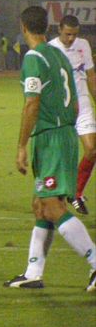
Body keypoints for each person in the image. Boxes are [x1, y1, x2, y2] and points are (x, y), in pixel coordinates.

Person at [4, 6, 96, 292]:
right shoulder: (59, 55)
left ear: (23, 27)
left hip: (51, 139)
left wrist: (22, 145)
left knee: (53, 207)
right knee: (40, 206)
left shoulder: (34, 57)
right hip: (64, 133)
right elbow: (76, 101)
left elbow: (32, 103)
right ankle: (34, 272)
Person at [48, 15, 96, 215]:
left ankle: (76, 192)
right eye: (68, 34)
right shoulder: (50, 49)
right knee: (59, 155)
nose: (71, 39)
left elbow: (91, 76)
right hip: (62, 108)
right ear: (59, 29)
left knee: (92, 149)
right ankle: (52, 196)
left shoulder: (83, 45)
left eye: (74, 35)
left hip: (82, 103)